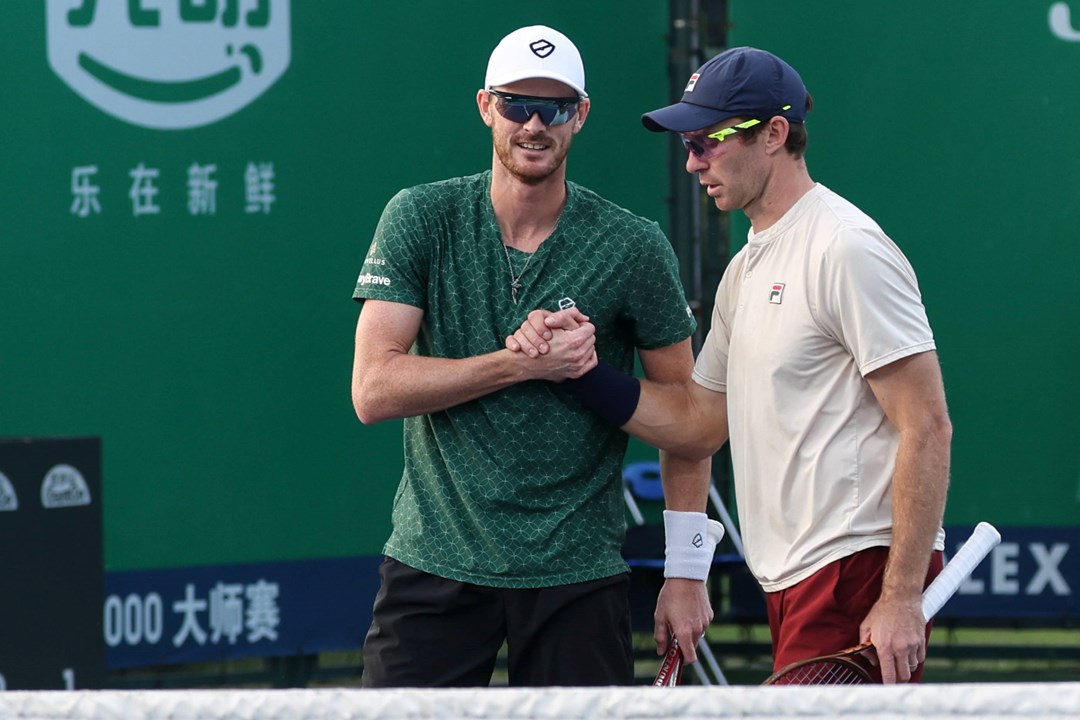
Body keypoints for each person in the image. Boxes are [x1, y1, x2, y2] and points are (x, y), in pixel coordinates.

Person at [508, 46, 952, 684]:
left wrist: (902, 594)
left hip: (856, 571)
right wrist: (581, 371)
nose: (692, 163)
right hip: (791, 580)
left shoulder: (846, 249)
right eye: (687, 145)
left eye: (707, 141)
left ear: (774, 134)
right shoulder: (746, 268)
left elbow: (928, 425)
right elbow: (696, 424)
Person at [350, 25, 720, 687]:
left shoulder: (633, 246)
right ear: (486, 106)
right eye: (517, 103)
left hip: (578, 575)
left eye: (553, 108)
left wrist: (687, 573)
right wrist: (518, 362)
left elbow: (690, 423)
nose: (534, 124)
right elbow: (374, 389)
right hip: (434, 560)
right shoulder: (420, 217)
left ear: (579, 114)